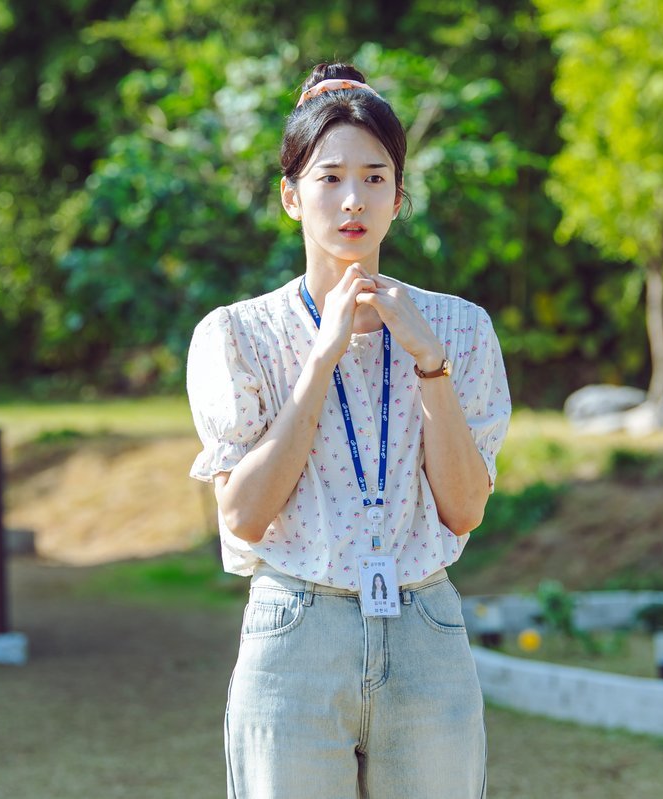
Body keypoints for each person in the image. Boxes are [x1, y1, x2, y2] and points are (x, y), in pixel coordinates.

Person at [187, 61, 511, 799]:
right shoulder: (239, 334)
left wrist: (429, 363)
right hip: (295, 630)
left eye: (374, 177)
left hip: (426, 625)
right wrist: (321, 356)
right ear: (290, 196)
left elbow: (464, 508)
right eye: (329, 178)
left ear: (399, 196)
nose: (353, 199)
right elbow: (244, 514)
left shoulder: (460, 328)